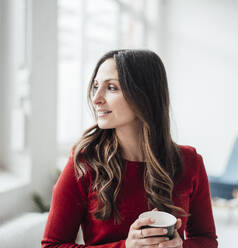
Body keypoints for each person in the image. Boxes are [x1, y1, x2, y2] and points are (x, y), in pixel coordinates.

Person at [41, 49, 218, 248]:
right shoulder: (84, 162)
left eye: (112, 87)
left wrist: (181, 246)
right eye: (96, 86)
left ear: (143, 95)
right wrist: (126, 247)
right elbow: (52, 245)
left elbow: (207, 240)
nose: (96, 98)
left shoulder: (189, 162)